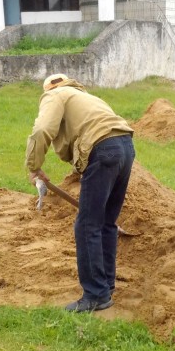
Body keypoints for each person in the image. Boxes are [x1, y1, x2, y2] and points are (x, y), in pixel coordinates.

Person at [25, 74, 135, 312]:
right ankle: (105, 286)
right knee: (105, 223)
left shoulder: (55, 94)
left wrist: (33, 167)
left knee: (87, 225)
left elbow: (43, 128)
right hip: (125, 147)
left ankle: (96, 295)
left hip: (103, 150)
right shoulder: (85, 97)